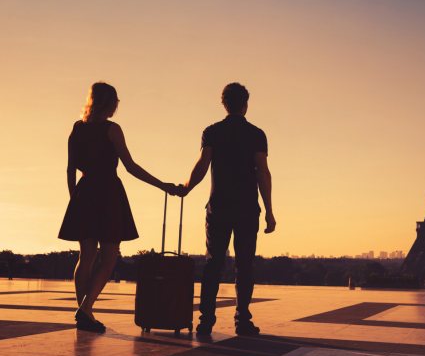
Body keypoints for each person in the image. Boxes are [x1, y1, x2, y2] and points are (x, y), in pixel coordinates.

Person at [59, 82, 180, 333]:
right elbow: (130, 166)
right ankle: (86, 309)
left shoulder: (77, 129)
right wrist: (162, 185)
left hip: (84, 191)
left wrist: (75, 198)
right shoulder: (112, 130)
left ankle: (85, 312)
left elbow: (70, 168)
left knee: (86, 258)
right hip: (107, 194)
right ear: (110, 103)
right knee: (110, 256)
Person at [180, 82, 275, 336]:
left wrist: (186, 188)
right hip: (246, 207)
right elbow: (262, 173)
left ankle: (205, 321)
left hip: (218, 206)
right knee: (244, 265)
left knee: (213, 264)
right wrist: (269, 211)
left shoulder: (212, 131)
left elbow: (202, 166)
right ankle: (242, 320)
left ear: (224, 104)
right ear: (246, 104)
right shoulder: (257, 134)